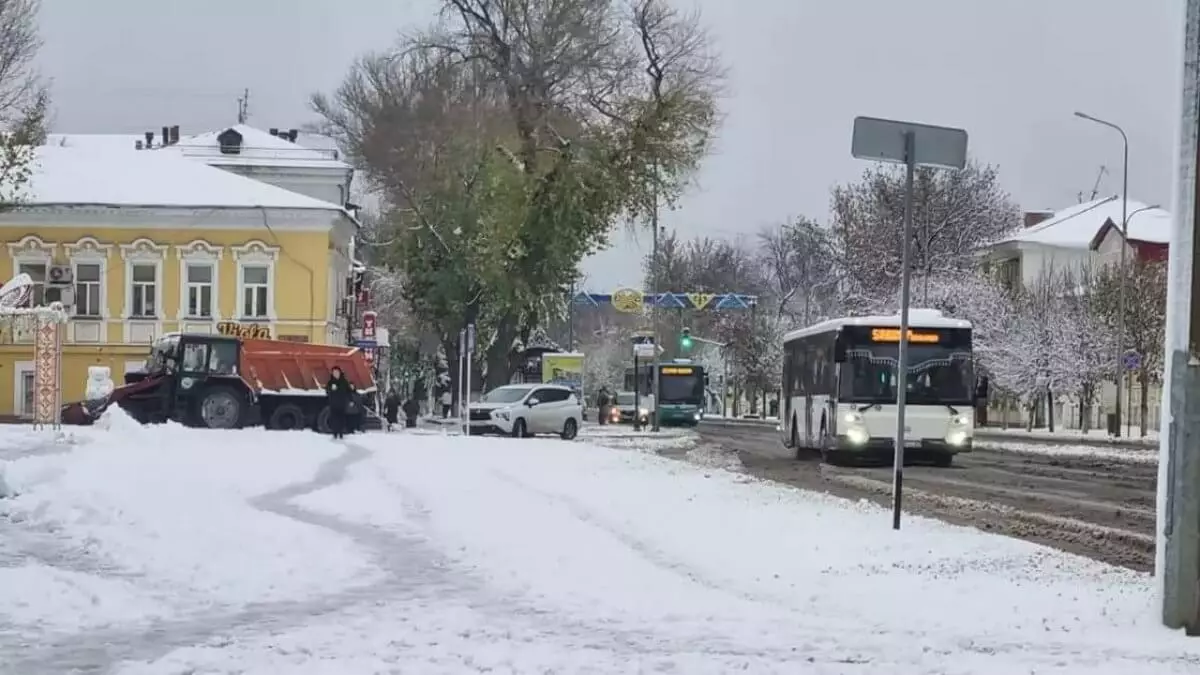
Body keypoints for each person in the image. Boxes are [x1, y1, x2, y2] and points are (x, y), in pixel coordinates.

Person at [325, 366, 352, 439]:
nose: (335, 374)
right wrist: (331, 389)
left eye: (337, 372)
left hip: (342, 404)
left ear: (340, 373)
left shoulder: (344, 382)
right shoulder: (330, 382)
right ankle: (335, 433)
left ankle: (341, 433)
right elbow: (327, 391)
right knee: (334, 419)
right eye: (334, 372)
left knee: (341, 419)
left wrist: (350, 400)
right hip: (333, 404)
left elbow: (349, 391)